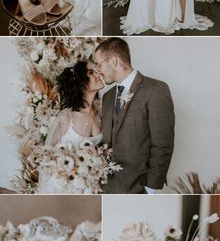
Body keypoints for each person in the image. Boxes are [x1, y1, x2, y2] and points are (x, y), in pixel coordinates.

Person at [95, 37, 175, 194]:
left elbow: (163, 144)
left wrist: (150, 189)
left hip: (140, 187)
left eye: (99, 64)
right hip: (107, 188)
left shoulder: (156, 89)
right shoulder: (108, 97)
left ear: (114, 60)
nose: (98, 70)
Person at [37, 60, 103, 193]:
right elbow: (48, 155)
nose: (98, 74)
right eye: (91, 72)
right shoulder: (67, 116)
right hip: (63, 185)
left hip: (90, 185)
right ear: (81, 83)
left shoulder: (100, 112)